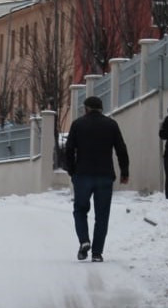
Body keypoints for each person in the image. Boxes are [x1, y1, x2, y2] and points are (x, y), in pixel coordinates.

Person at [64, 95, 130, 261]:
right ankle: (97, 253)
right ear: (101, 109)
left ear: (86, 109)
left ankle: (84, 241)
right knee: (102, 215)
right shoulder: (111, 125)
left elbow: (69, 150)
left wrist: (72, 171)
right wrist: (124, 172)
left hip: (82, 175)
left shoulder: (77, 124)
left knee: (80, 210)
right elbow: (121, 149)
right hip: (105, 176)